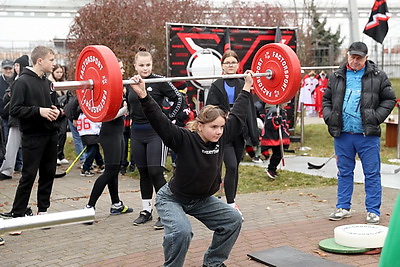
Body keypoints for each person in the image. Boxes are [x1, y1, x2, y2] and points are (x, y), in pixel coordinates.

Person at [129, 69, 253, 267]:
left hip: (201, 200)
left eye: (221, 127)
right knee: (182, 231)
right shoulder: (184, 139)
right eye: (213, 127)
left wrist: (247, 86)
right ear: (200, 126)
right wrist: (143, 95)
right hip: (172, 198)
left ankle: (213, 263)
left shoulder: (222, 136)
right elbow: (159, 121)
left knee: (233, 220)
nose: (219, 132)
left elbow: (238, 114)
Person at [323, 41, 396, 225]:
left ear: (366, 57)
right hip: (343, 134)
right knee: (344, 172)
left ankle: (373, 210)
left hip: (367, 135)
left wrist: (375, 118)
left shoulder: (378, 76)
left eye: (359, 58)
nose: (355, 61)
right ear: (347, 55)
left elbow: (389, 99)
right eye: (352, 56)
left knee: (371, 173)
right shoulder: (337, 76)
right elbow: (326, 99)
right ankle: (343, 207)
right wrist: (330, 117)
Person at [0, 46, 61, 218]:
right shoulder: (22, 82)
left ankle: (43, 211)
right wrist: (38, 111)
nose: (54, 63)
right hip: (32, 136)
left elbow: (53, 106)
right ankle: (18, 213)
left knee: (48, 174)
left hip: (50, 134)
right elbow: (14, 110)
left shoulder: (49, 83)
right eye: (51, 60)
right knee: (28, 176)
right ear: (40, 61)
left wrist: (55, 111)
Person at [126, 48, 183, 229]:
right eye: (141, 65)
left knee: (155, 172)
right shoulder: (129, 83)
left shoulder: (159, 81)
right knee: (143, 173)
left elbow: (179, 98)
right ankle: (146, 210)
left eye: (148, 65)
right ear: (135, 66)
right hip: (136, 132)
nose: (145, 68)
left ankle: (165, 211)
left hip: (155, 133)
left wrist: (170, 119)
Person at [205, 50, 259, 219]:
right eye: (227, 62)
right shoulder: (216, 86)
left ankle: (231, 201)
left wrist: (253, 133)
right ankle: (228, 205)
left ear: (238, 65)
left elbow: (249, 109)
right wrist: (222, 116)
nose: (230, 65)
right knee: (231, 166)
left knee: (235, 169)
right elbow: (209, 109)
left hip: (239, 132)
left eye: (233, 62)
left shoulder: (244, 83)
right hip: (223, 133)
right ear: (222, 65)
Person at [85, 59, 133, 215]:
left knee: (114, 169)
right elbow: (107, 116)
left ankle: (116, 204)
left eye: (122, 67)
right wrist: (125, 108)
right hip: (109, 134)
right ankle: (89, 206)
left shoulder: (120, 87)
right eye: (120, 68)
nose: (123, 71)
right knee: (110, 171)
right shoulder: (108, 88)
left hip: (118, 133)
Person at [0, 55, 29, 181]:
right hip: (15, 118)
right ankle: (7, 170)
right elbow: (6, 98)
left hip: (27, 117)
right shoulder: (14, 80)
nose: (15, 68)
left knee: (29, 145)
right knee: (11, 145)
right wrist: (10, 94)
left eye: (17, 65)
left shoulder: (26, 79)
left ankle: (27, 168)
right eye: (15, 65)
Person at [261, 103, 290, 179]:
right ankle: (271, 169)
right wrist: (276, 122)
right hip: (275, 137)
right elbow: (270, 122)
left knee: (279, 153)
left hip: (278, 137)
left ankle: (272, 168)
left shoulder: (281, 111)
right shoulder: (274, 111)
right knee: (278, 153)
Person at [48, 64, 69, 165]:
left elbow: (69, 99)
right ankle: (55, 155)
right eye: (57, 72)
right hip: (54, 110)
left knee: (63, 133)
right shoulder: (49, 84)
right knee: (56, 134)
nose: (59, 74)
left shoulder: (65, 84)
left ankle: (61, 154)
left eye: (61, 72)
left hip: (64, 112)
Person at [77, 112, 104, 177]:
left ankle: (101, 164)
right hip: (91, 133)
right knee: (92, 151)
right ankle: (85, 168)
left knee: (95, 149)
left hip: (84, 134)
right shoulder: (91, 114)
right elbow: (98, 123)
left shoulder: (81, 114)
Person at [0, 59, 14, 145]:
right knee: (6, 139)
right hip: (3, 116)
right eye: (6, 69)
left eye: (10, 68)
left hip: (15, 115)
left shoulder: (16, 80)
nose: (8, 71)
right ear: (2, 69)